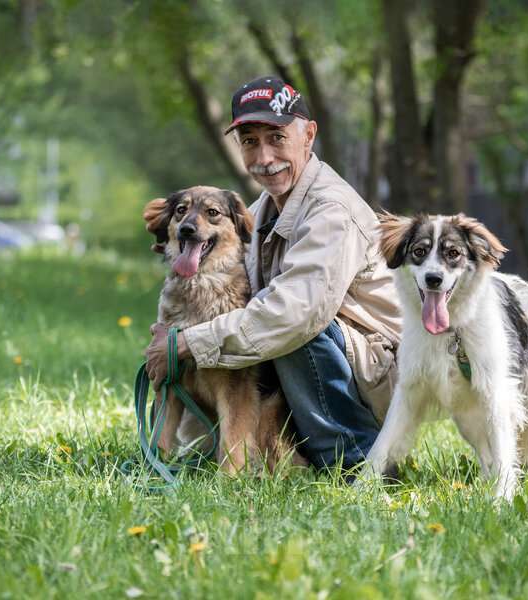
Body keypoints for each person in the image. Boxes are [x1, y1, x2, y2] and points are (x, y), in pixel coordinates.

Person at [145, 76, 401, 470]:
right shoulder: (266, 206)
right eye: (250, 142)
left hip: (375, 373)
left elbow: (295, 315)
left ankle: (357, 460)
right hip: (317, 372)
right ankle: (235, 453)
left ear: (308, 135)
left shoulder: (331, 210)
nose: (264, 157)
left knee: (292, 327)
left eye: (277, 138)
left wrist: (186, 343)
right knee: (248, 327)